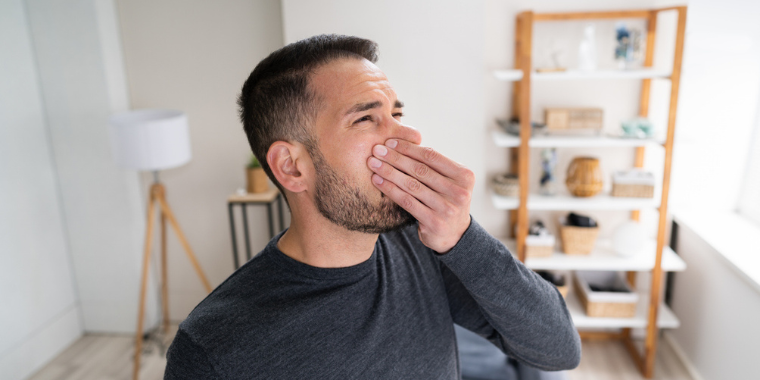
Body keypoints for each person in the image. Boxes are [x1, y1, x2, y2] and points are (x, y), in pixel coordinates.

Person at [164, 34, 581, 379]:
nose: (410, 135)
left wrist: (463, 237)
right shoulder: (212, 348)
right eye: (365, 119)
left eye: (396, 113)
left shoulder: (421, 247)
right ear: (292, 167)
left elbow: (559, 350)